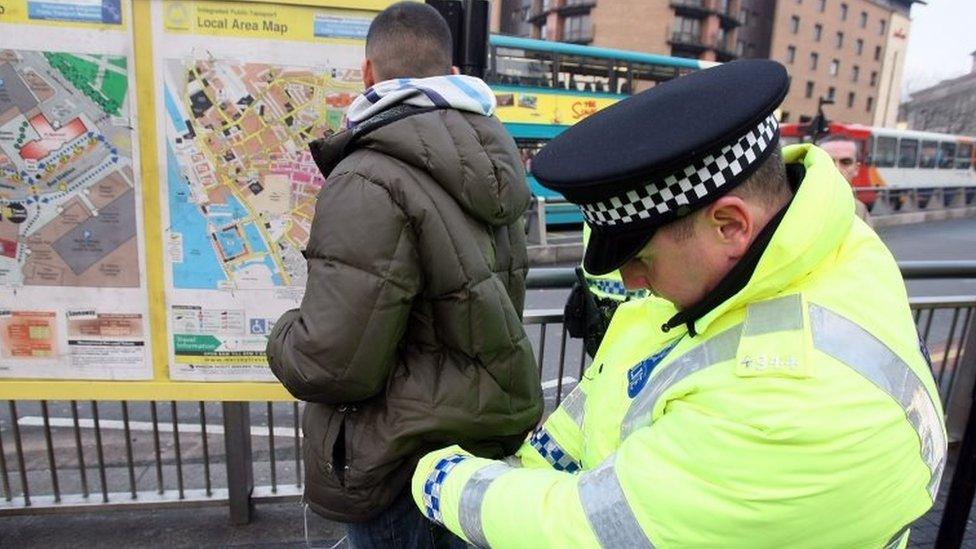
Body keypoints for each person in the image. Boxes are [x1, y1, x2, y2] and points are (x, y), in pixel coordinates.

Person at [410, 60, 946, 547]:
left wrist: (441, 479)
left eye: (639, 255)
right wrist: (535, 460)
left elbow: (590, 528)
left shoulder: (792, 407)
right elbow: (613, 385)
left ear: (731, 224)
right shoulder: (806, 249)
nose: (629, 279)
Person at [266, 3, 543, 547]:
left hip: (401, 460)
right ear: (452, 71)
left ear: (368, 72)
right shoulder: (493, 158)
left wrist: (280, 338)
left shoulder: (370, 178)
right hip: (481, 450)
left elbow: (336, 364)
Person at [819, 136, 872, 224]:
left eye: (846, 162)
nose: (837, 169)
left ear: (856, 169)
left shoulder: (859, 209)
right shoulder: (796, 204)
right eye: (827, 161)